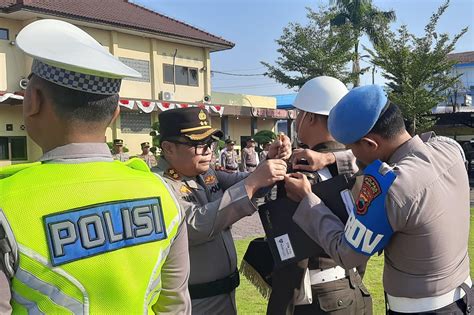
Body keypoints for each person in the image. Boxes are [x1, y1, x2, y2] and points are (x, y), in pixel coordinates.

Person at [0, 19, 191, 314]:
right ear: (115, 113)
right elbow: (174, 307)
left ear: (31, 101)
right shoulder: (162, 193)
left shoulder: (7, 203)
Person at [285, 85, 472, 314]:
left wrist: (308, 200)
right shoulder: (448, 148)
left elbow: (346, 252)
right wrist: (329, 157)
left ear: (370, 144)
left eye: (353, 148)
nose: (353, 155)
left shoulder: (390, 189)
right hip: (463, 300)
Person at [153, 107, 290, 315]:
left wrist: (270, 161)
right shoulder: (158, 184)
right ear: (168, 148)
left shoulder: (204, 173)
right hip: (194, 302)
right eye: (198, 144)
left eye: (209, 143)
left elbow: (249, 183)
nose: (208, 150)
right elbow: (194, 225)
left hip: (224, 294)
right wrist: (252, 182)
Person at [267, 76, 372, 315]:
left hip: (317, 298)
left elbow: (290, 254)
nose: (296, 121)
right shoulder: (363, 165)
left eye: (298, 114)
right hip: (355, 288)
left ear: (310, 117)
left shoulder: (299, 175)